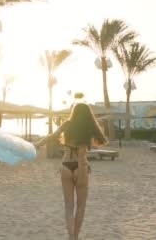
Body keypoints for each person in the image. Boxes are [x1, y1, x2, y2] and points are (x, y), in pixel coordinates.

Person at [34, 103, 108, 240]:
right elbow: (97, 142)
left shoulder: (67, 124)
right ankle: (76, 237)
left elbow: (52, 136)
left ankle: (71, 237)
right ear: (87, 114)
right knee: (81, 206)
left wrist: (37, 144)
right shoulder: (88, 127)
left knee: (69, 206)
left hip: (66, 165)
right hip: (81, 167)